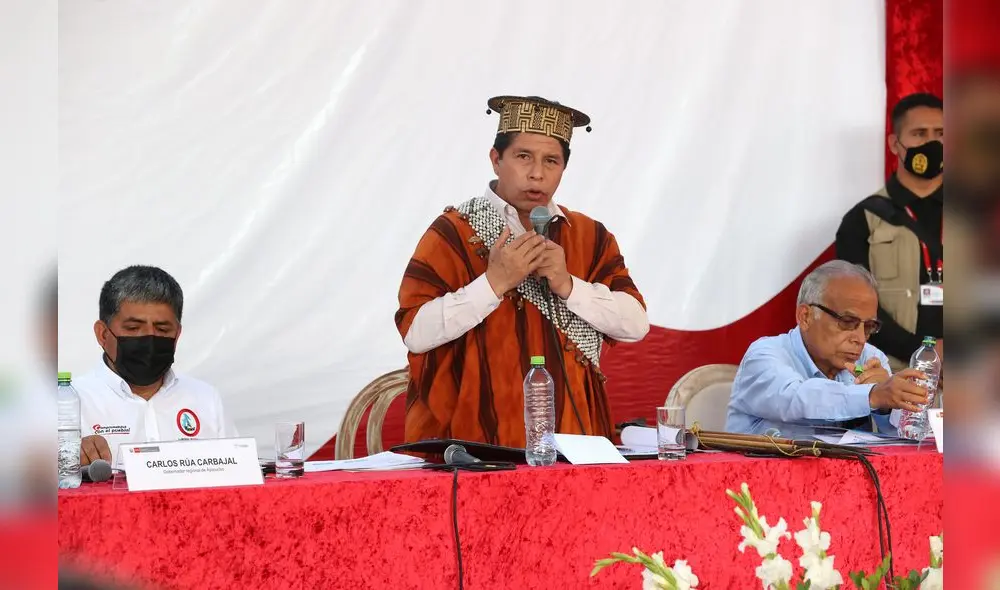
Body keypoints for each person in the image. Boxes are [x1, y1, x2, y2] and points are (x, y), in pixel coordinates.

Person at [396, 95, 649, 446]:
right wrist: (494, 283)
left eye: (551, 161)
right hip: (476, 443)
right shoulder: (454, 231)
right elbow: (415, 332)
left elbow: (636, 323)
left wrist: (568, 284)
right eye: (523, 157)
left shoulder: (590, 237)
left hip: (574, 442)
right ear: (496, 159)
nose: (537, 173)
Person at [726, 261, 928, 438]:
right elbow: (795, 398)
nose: (859, 339)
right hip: (761, 479)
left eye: (868, 327)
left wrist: (886, 407)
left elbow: (904, 440)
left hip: (847, 480)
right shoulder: (764, 355)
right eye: (848, 322)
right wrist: (871, 396)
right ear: (806, 316)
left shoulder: (871, 358)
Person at [74, 265, 237, 467]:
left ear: (177, 335)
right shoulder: (66, 403)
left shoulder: (207, 400)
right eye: (133, 328)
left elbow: (237, 482)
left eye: (162, 329)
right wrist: (65, 461)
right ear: (103, 334)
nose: (149, 339)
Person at [836, 93, 944, 370]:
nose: (932, 143)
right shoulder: (863, 219)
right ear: (895, 144)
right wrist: (923, 355)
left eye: (941, 133)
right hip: (892, 374)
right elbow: (851, 307)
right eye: (919, 133)